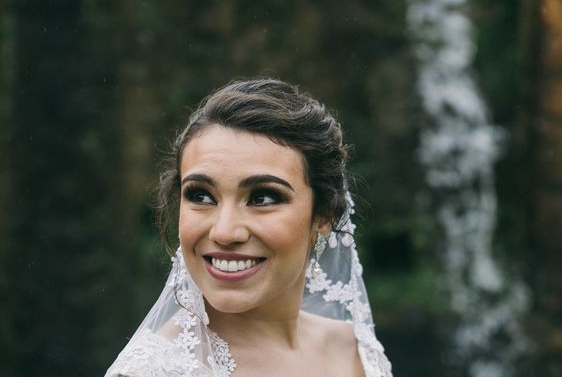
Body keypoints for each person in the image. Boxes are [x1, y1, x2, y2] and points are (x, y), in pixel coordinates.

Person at [105, 78, 393, 377]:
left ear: (324, 215)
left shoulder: (353, 349)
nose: (225, 232)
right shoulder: (155, 371)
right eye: (200, 195)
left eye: (262, 197)